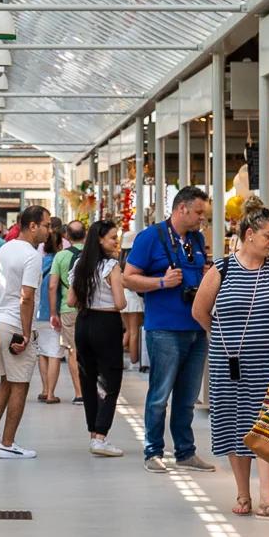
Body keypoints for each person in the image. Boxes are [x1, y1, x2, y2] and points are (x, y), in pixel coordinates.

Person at [191, 196, 269, 521]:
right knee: (234, 423)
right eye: (268, 235)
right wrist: (221, 336)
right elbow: (199, 311)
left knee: (268, 427)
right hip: (230, 364)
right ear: (249, 235)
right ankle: (243, 494)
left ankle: (268, 499)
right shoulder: (222, 269)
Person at [123, 186, 216, 473]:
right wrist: (161, 283)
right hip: (164, 329)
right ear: (182, 208)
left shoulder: (197, 240)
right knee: (160, 395)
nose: (202, 218)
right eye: (199, 212)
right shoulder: (151, 237)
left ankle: (185, 452)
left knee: (187, 397)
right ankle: (153, 451)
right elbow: (128, 278)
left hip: (196, 328)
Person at [0, 205, 50, 459]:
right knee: (20, 384)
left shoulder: (4, 248)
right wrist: (27, 334)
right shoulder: (32, 256)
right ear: (33, 226)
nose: (49, 230)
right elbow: (26, 297)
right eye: (46, 225)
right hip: (14, 325)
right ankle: (8, 444)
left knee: (6, 382)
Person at [68, 220, 127, 457]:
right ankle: (101, 437)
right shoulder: (112, 266)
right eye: (113, 237)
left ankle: (93, 433)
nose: (116, 242)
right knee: (111, 381)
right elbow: (121, 302)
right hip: (107, 323)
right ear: (101, 240)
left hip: (83, 323)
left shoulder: (79, 265)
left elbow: (71, 301)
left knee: (88, 380)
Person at [49, 220, 86, 404]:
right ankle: (93, 389)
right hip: (92, 308)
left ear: (67, 236)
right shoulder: (93, 255)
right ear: (85, 235)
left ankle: (80, 393)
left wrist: (53, 312)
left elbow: (53, 285)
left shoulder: (60, 257)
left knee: (73, 350)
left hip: (67, 308)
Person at [34, 224, 65, 404]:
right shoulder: (60, 261)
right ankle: (52, 393)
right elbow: (55, 287)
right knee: (54, 353)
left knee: (43, 352)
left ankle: (45, 389)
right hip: (54, 312)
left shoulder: (39, 261)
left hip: (38, 313)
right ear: (60, 246)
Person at [120, 228, 145, 372]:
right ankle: (134, 361)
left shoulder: (120, 258)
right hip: (134, 298)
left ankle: (118, 355)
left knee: (128, 331)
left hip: (124, 297)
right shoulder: (134, 258)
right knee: (134, 331)